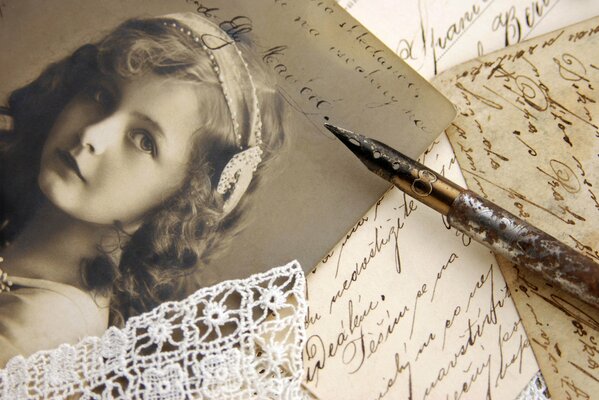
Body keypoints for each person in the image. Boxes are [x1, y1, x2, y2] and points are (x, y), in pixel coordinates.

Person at [0, 12, 286, 367]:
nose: (92, 136)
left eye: (143, 141)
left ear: (182, 198)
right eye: (102, 95)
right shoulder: (19, 240)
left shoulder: (38, 333)